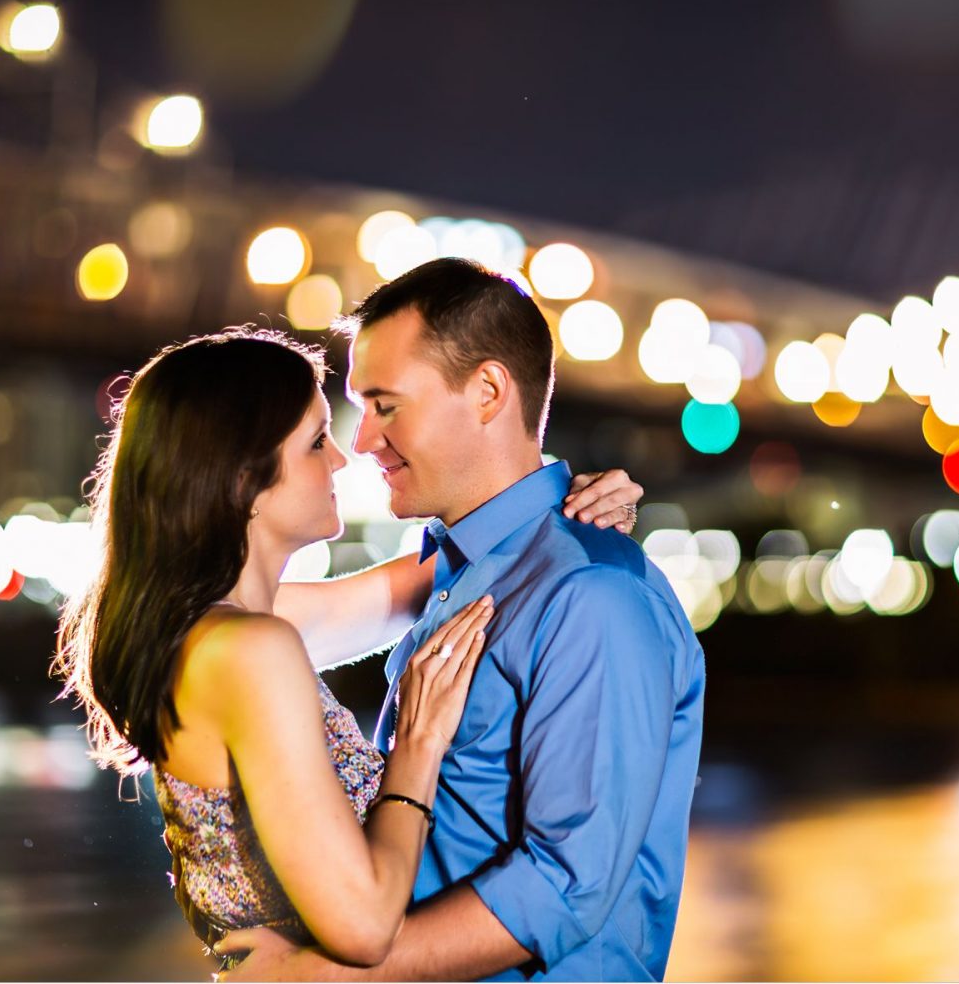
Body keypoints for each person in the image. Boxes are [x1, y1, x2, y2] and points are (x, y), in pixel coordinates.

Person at [52, 324, 644, 974]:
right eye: (315, 442)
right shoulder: (250, 649)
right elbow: (364, 929)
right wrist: (417, 744)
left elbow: (427, 582)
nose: (341, 459)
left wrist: (565, 505)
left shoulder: (215, 630)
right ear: (241, 480)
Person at [217, 258, 707, 982]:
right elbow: (227, 618)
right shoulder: (459, 572)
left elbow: (567, 888)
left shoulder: (594, 594)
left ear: (486, 392)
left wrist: (329, 977)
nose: (361, 443)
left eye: (385, 405)